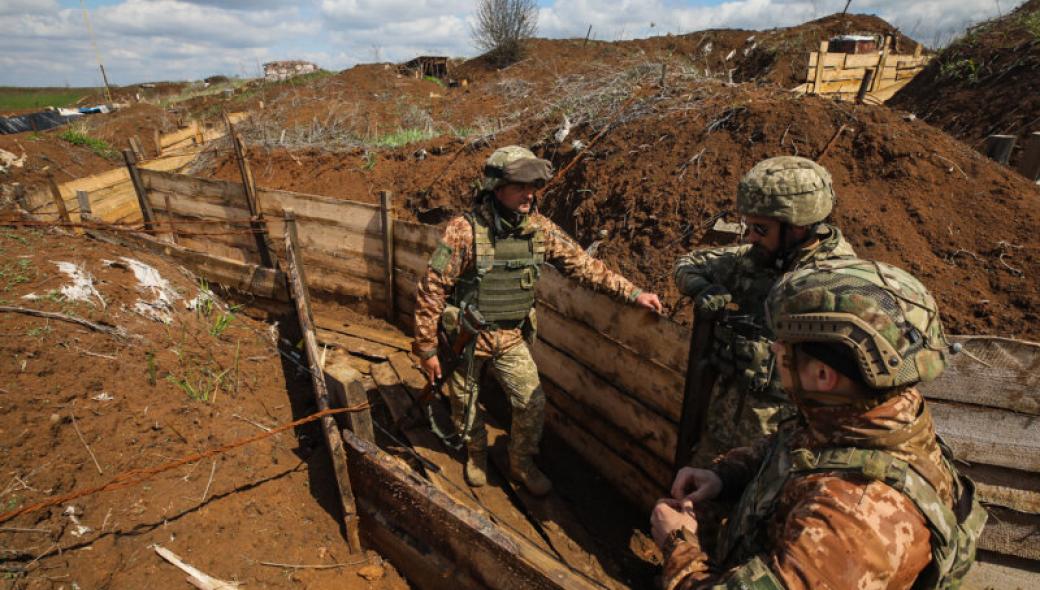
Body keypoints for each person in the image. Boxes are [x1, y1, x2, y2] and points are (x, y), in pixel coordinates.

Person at [651, 258, 986, 589]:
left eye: (783, 349)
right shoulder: (867, 416)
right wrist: (725, 476)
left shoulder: (852, 522)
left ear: (823, 375)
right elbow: (798, 448)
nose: (774, 350)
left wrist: (677, 545)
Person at [412, 145, 663, 495]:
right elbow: (432, 288)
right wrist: (426, 348)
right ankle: (477, 454)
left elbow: (583, 265)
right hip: (467, 339)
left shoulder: (539, 229)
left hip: (511, 337)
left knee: (532, 404)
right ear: (496, 190)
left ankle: (522, 463)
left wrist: (633, 293)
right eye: (520, 187)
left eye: (533, 187)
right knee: (464, 405)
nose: (529, 195)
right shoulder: (464, 231)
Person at [673, 156, 857, 467]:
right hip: (720, 434)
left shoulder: (842, 288)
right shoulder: (757, 259)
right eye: (749, 226)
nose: (750, 237)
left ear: (798, 227)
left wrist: (769, 366)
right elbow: (688, 265)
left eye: (760, 228)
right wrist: (702, 289)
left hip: (778, 453)